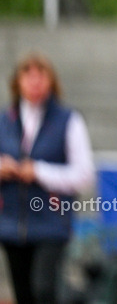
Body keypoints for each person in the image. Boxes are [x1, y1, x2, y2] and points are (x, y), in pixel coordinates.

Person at [0, 52, 96, 304]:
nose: (34, 81)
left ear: (52, 81)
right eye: (28, 75)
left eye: (41, 75)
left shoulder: (68, 120)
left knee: (45, 290)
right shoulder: (4, 121)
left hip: (51, 223)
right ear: (17, 81)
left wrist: (39, 172)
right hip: (11, 224)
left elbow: (84, 174)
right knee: (23, 294)